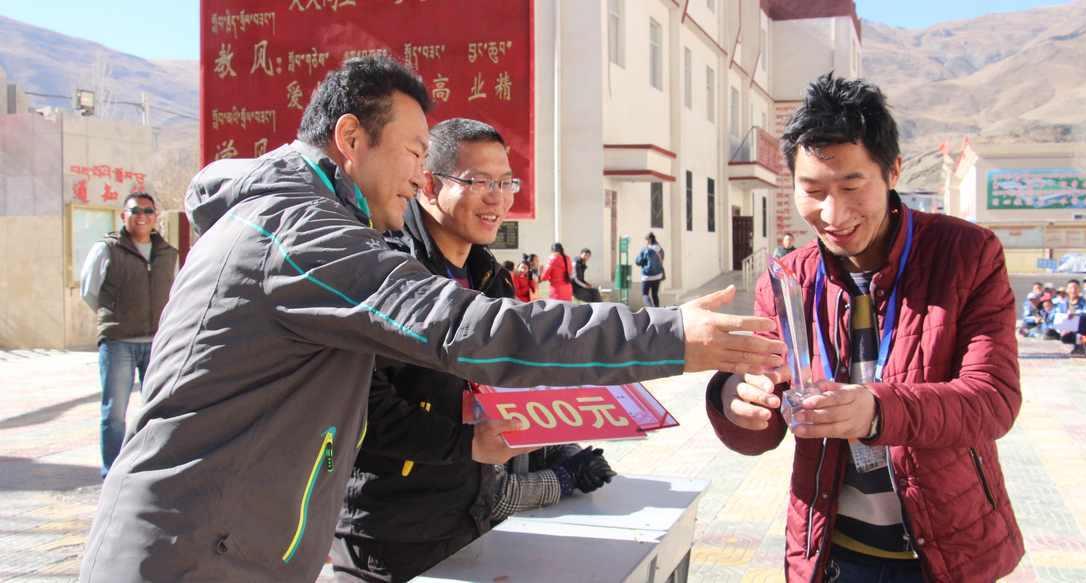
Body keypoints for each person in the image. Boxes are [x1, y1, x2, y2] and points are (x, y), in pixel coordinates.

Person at [79, 55, 786, 582]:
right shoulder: (300, 233)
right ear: (351, 138)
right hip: (196, 555)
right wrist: (671, 336)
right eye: (417, 154)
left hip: (234, 548)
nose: (420, 178)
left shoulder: (303, 221)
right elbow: (468, 330)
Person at [705, 74, 1023, 583]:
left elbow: (993, 399)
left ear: (893, 170)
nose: (833, 215)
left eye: (852, 186)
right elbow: (762, 429)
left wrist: (877, 410)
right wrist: (733, 398)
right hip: (831, 551)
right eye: (812, 191)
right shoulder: (787, 279)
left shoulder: (967, 255)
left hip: (948, 552)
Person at [333, 118, 615, 582]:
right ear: (428, 185)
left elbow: (507, 388)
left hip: (478, 520)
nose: (498, 197)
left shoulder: (492, 279)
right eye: (479, 181)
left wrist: (559, 450)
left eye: (506, 182)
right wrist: (466, 444)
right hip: (395, 536)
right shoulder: (388, 272)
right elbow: (364, 406)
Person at [78, 193, 178, 478]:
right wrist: (114, 316)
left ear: (155, 216)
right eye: (135, 211)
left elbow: (175, 293)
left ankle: (154, 467)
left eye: (148, 210)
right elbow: (90, 290)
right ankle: (111, 471)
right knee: (114, 413)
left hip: (157, 343)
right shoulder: (107, 249)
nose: (141, 216)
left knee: (160, 408)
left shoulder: (167, 253)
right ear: (124, 215)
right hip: (119, 342)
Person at [635, 232, 665, 307]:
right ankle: (657, 309)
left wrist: (639, 256)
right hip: (658, 275)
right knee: (655, 294)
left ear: (647, 241)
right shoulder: (660, 249)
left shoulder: (645, 250)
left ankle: (651, 307)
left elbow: (638, 262)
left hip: (647, 276)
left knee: (645, 294)